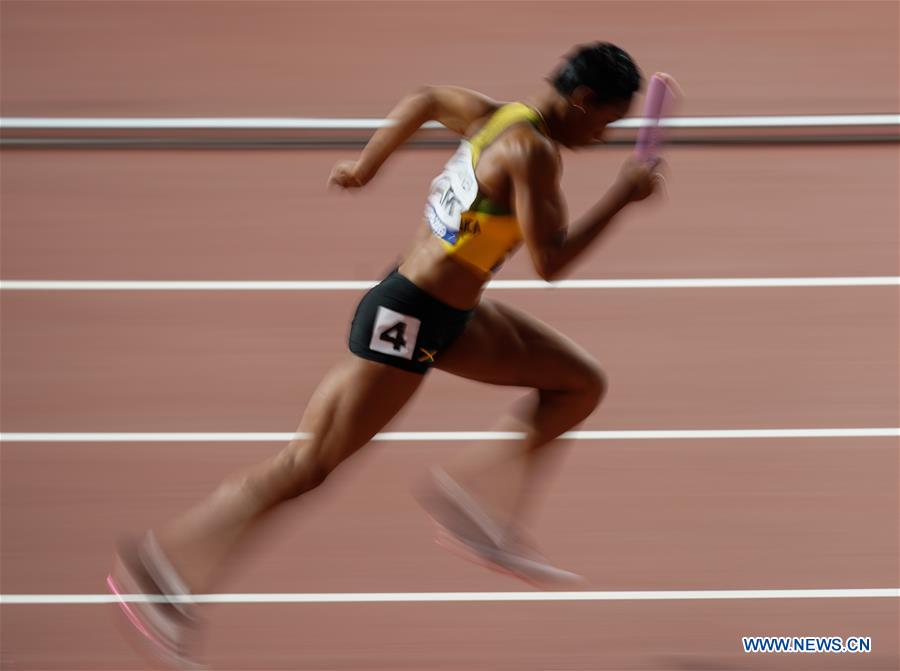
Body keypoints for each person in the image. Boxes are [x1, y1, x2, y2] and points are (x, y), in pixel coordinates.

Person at [108, 41, 664, 667]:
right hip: (406, 317)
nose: (604, 137)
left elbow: (426, 99)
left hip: (451, 313)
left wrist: (366, 165)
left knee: (579, 383)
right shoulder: (531, 153)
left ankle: (472, 500)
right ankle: (162, 570)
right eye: (607, 122)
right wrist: (624, 196)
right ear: (583, 100)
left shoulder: (499, 116)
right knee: (306, 464)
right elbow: (552, 263)